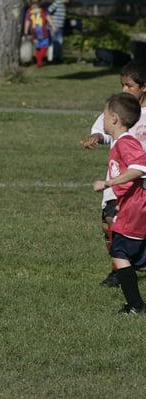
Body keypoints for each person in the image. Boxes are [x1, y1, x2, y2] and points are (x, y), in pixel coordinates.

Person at [81, 61, 146, 287]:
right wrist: (97, 138)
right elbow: (105, 129)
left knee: (123, 227)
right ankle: (124, 267)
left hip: (139, 182)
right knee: (108, 224)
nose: (124, 90)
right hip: (119, 182)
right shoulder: (118, 108)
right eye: (122, 85)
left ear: (144, 87)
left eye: (129, 86)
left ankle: (122, 270)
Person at [93, 93, 146, 314]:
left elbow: (140, 168)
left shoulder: (126, 143)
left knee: (120, 252)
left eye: (104, 115)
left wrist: (109, 183)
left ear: (114, 119)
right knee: (131, 254)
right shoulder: (120, 142)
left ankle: (135, 305)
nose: (102, 119)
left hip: (135, 207)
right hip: (132, 205)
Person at [23, 0, 56, 68]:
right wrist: (53, 26)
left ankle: (39, 61)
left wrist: (26, 31)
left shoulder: (29, 11)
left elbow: (27, 22)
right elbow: (48, 18)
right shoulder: (43, 10)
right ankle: (39, 60)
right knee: (44, 46)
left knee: (38, 47)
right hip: (42, 32)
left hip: (35, 32)